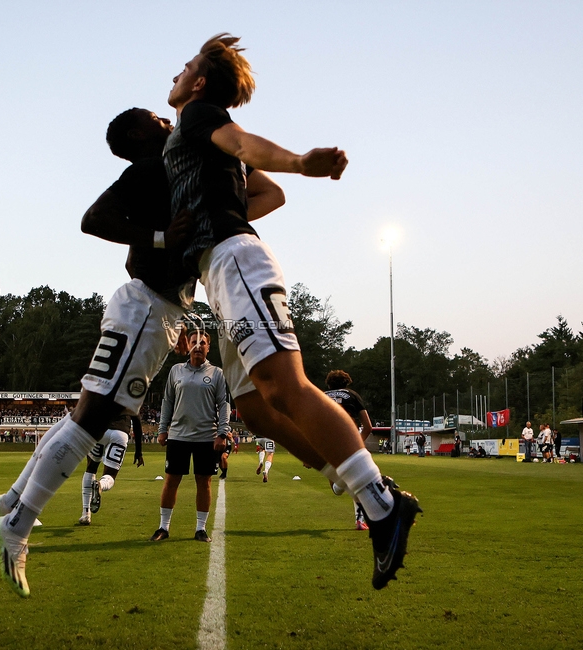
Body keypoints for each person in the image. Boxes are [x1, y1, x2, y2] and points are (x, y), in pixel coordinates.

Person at [0, 106, 287, 597]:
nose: (166, 122)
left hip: (156, 309)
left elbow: (271, 193)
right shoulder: (148, 169)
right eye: (154, 120)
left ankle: (11, 502)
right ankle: (16, 525)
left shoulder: (179, 171)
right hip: (146, 304)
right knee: (92, 418)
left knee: (91, 411)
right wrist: (163, 237)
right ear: (138, 136)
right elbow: (93, 219)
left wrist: (217, 215)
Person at [164, 33, 419, 589]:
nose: (176, 73)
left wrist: (302, 161)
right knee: (256, 409)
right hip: (220, 273)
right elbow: (267, 194)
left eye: (185, 66)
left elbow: (249, 149)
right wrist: (216, 206)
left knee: (286, 387)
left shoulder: (201, 115)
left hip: (235, 261)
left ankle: (381, 505)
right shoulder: (195, 133)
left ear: (201, 83)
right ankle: (360, 484)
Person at [152, 330, 229, 543]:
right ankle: (163, 527)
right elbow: (167, 401)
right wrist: (162, 429)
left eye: (202, 343)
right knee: (171, 481)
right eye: (193, 342)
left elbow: (224, 404)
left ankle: (200, 529)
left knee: (204, 482)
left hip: (207, 436)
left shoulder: (217, 373)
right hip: (178, 435)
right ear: (189, 345)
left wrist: (222, 433)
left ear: (208, 347)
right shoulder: (176, 371)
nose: (197, 346)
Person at [324, 370, 374, 530]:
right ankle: (360, 520)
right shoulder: (353, 395)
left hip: (327, 442)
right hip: (348, 438)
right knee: (356, 479)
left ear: (329, 383)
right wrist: (357, 444)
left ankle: (345, 484)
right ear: (347, 382)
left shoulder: (320, 395)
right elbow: (368, 426)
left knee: (337, 489)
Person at [78, 415, 143, 525]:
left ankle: (86, 513)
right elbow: (137, 423)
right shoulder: (130, 397)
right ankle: (101, 485)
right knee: (110, 475)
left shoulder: (102, 396)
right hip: (120, 433)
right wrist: (138, 451)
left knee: (91, 469)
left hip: (100, 430)